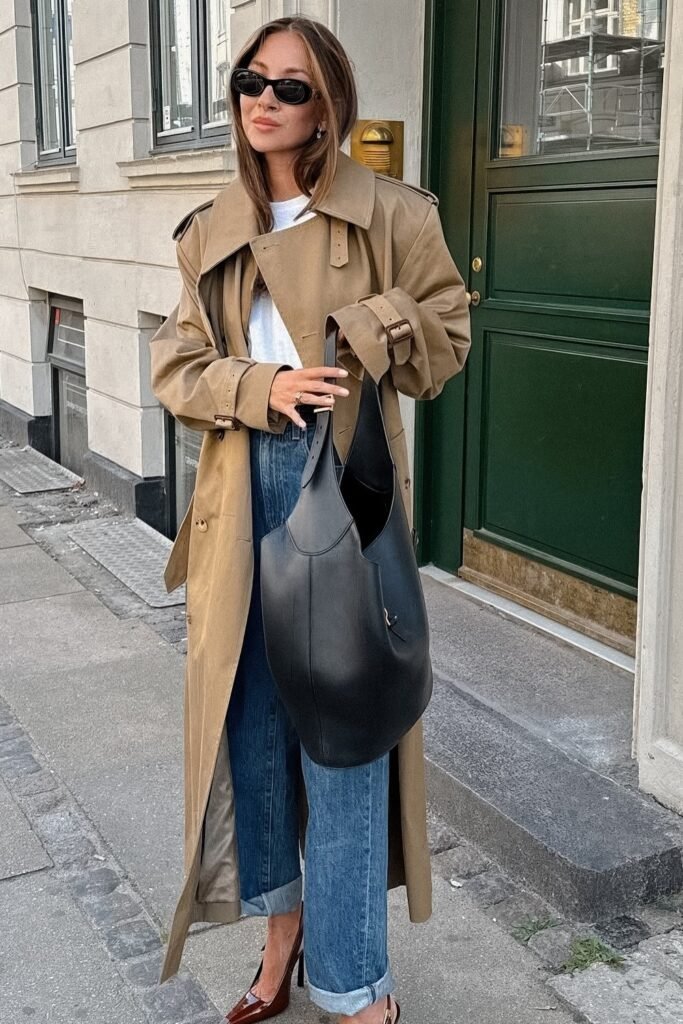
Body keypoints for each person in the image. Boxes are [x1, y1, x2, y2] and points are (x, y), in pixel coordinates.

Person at [149, 15, 471, 1024]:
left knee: (342, 742)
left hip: (341, 495)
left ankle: (353, 987)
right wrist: (262, 382)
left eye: (288, 86)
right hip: (239, 492)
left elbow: (448, 332)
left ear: (327, 102)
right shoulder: (208, 226)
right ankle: (280, 936)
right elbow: (176, 368)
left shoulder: (389, 213)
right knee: (252, 736)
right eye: (248, 79)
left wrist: (367, 326)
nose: (262, 99)